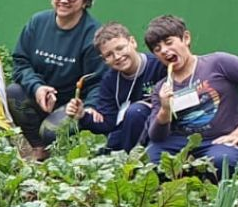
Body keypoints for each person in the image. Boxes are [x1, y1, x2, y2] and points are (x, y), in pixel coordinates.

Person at [143, 15, 238, 177]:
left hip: (218, 141)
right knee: (149, 163)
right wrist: (165, 110)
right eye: (157, 49)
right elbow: (157, 136)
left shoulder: (219, 63)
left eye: (169, 42)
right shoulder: (161, 88)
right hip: (178, 142)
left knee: (223, 162)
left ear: (186, 38)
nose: (164, 50)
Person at [8, 0, 104, 158]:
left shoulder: (93, 34)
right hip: (41, 97)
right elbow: (20, 61)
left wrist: (86, 108)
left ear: (86, 1)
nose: (64, 0)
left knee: (51, 131)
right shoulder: (38, 22)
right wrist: (37, 88)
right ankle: (38, 147)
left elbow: (98, 82)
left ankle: (65, 153)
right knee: (12, 93)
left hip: (73, 105)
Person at [66, 22, 166, 152]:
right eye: (109, 55)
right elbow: (108, 123)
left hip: (160, 132)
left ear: (133, 42)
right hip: (127, 136)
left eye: (120, 48)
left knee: (136, 112)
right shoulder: (109, 81)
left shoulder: (158, 65)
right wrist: (82, 115)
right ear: (104, 60)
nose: (117, 57)